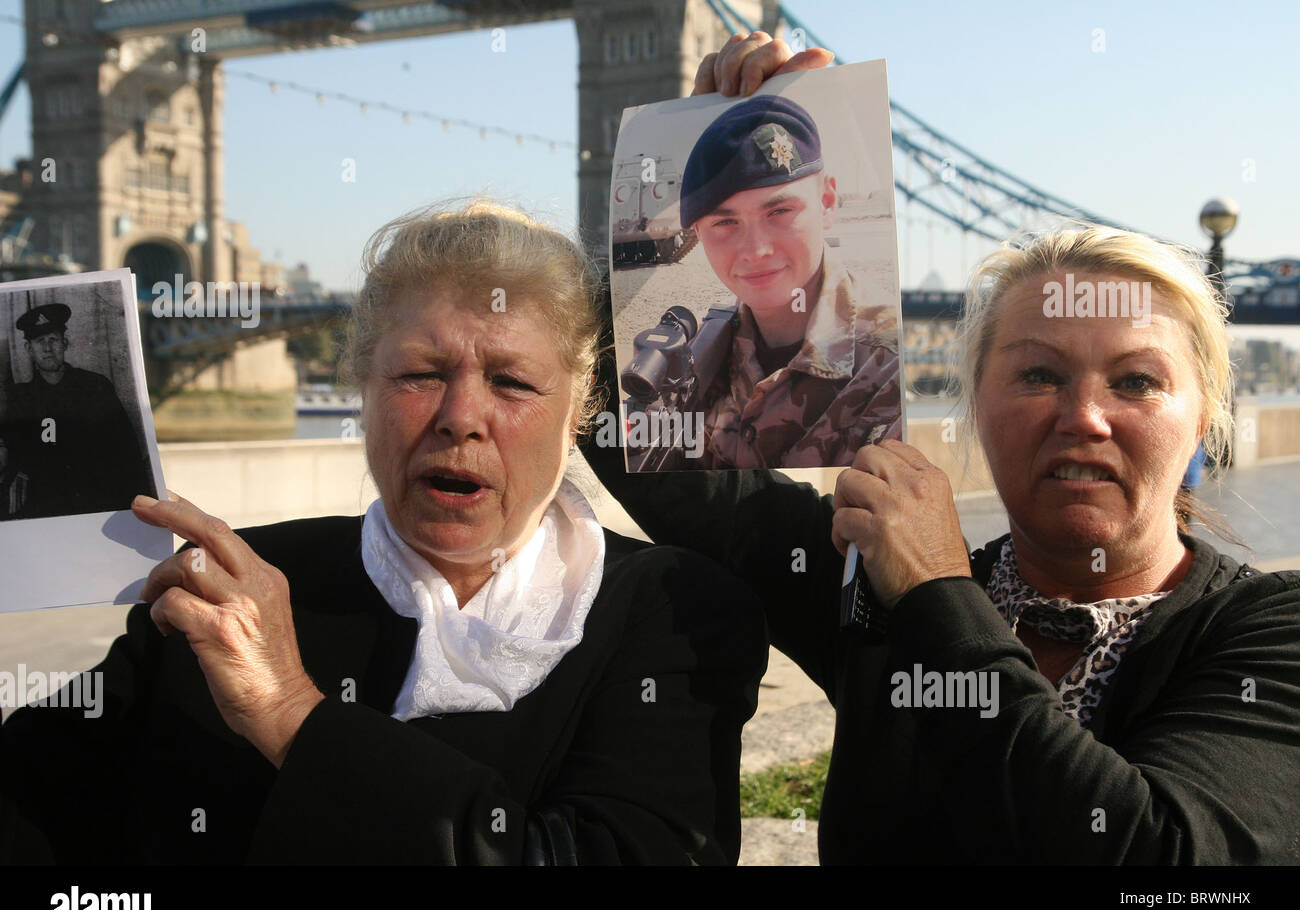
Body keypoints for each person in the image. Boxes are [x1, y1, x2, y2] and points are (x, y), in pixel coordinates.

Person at [586, 31, 1300, 864]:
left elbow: (1168, 877)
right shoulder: (865, 584)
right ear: (974, 403)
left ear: (1207, 414)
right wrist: (692, 149)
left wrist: (936, 595)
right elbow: (614, 415)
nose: (1084, 417)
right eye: (1037, 376)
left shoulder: (1266, 630)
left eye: (1136, 382)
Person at [0, 201, 765, 865]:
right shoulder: (228, 586)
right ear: (362, 391)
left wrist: (293, 716)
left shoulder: (678, 613)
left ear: (579, 415)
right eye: (419, 375)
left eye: (512, 382)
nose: (460, 416)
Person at [672, 92, 902, 468]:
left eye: (779, 211)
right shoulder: (700, 357)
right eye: (725, 223)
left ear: (827, 202)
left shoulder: (888, 363)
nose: (755, 250)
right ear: (698, 232)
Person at [4, 302, 154, 517]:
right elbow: (16, 457)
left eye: (53, 340)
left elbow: (126, 451)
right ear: (29, 349)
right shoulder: (20, 397)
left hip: (100, 503)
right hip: (46, 507)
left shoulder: (95, 386)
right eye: (40, 341)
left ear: (65, 344)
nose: (47, 348)